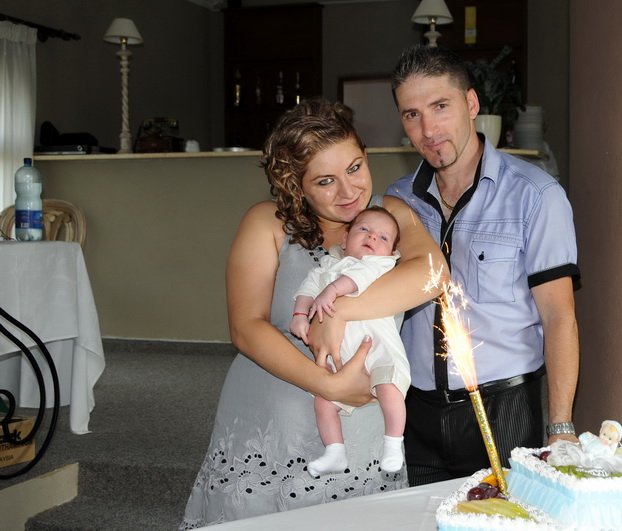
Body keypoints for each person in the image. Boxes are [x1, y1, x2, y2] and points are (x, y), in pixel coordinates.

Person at [180, 98, 446, 528]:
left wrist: (338, 312)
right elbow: (245, 327)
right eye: (325, 181)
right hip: (272, 421)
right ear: (295, 184)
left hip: (364, 427)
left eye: (355, 168)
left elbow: (433, 274)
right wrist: (330, 385)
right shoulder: (265, 222)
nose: (349, 191)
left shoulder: (389, 215)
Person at [386, 45, 581, 486]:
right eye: (412, 114)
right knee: (420, 516)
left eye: (440, 106)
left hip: (503, 407)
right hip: (415, 409)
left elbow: (559, 316)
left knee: (501, 515)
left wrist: (561, 424)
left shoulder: (536, 195)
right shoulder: (397, 201)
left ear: (471, 104)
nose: (428, 130)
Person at [290, 206, 410, 476]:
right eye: (364, 229)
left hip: (378, 350)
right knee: (323, 402)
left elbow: (359, 278)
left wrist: (332, 290)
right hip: (342, 356)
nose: (372, 237)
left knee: (389, 389)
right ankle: (335, 453)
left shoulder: (382, 264)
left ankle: (393, 445)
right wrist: (299, 314)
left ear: (391, 252)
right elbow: (307, 289)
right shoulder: (327, 266)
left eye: (383, 237)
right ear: (344, 240)